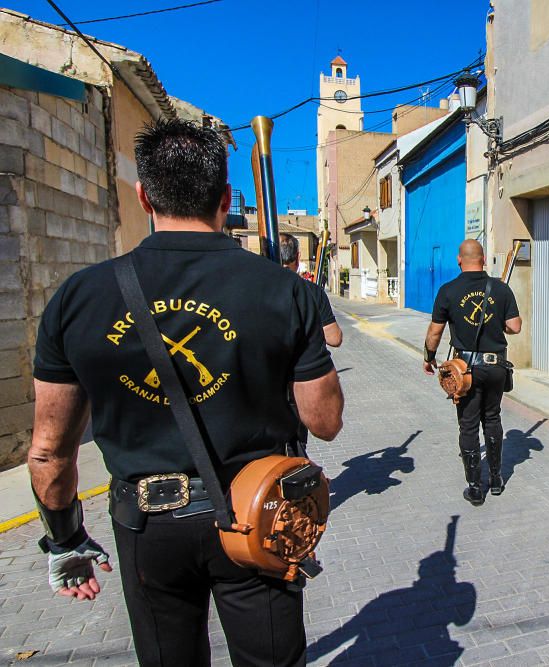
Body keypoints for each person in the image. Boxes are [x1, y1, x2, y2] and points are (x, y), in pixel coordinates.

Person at [28, 119, 344, 667]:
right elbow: (326, 420)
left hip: (147, 526)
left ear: (144, 195)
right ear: (225, 198)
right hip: (257, 515)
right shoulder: (282, 289)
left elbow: (49, 452)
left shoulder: (79, 297)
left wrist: (65, 539)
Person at [422, 240, 521, 505]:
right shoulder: (500, 289)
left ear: (459, 260)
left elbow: (435, 331)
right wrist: (496, 321)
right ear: (484, 259)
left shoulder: (448, 291)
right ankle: (497, 479)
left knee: (468, 423)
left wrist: (428, 357)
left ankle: (476, 487)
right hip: (497, 367)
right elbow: (515, 327)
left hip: (466, 370)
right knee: (492, 417)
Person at [280, 232, 342, 347]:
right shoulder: (312, 291)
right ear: (298, 258)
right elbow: (334, 338)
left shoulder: (256, 291)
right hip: (307, 362)